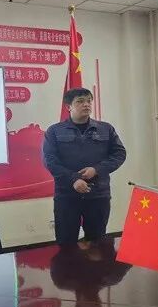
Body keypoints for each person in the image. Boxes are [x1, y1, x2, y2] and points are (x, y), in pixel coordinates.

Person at [43, 87, 126, 246]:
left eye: (89, 101)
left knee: (97, 243)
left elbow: (119, 154)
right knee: (66, 242)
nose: (86, 104)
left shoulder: (105, 129)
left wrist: (97, 169)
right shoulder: (55, 131)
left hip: (98, 195)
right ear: (69, 107)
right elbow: (50, 160)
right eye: (80, 101)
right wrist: (73, 179)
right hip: (67, 196)